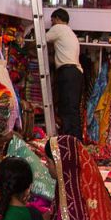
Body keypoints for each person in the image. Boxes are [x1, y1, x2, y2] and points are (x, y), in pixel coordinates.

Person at [46, 8, 84, 139]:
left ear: (57, 19)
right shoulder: (70, 33)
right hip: (76, 73)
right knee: (73, 109)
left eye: (52, 21)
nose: (51, 24)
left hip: (67, 73)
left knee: (66, 109)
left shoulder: (59, 28)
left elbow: (41, 41)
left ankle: (67, 142)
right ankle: (76, 141)